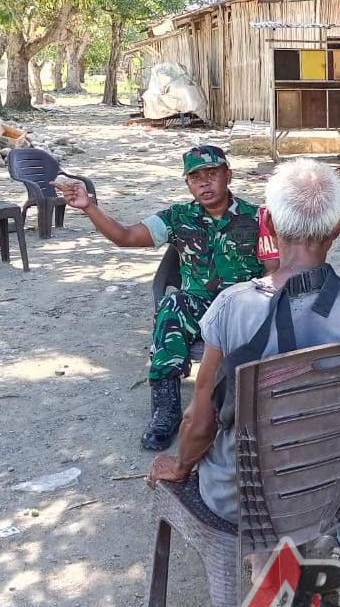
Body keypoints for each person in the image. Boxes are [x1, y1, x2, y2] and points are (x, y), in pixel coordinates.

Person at [145, 158, 340, 532]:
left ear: (269, 224)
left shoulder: (232, 306)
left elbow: (199, 422)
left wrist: (179, 466)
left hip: (240, 499)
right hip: (329, 489)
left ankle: (260, 557)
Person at [53, 145, 274, 451]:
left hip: (242, 306)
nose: (204, 183)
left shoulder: (259, 218)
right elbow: (125, 237)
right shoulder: (177, 217)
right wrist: (89, 206)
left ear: (228, 175)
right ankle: (165, 408)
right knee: (172, 305)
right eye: (196, 177)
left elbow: (274, 272)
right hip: (198, 306)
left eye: (212, 174)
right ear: (187, 183)